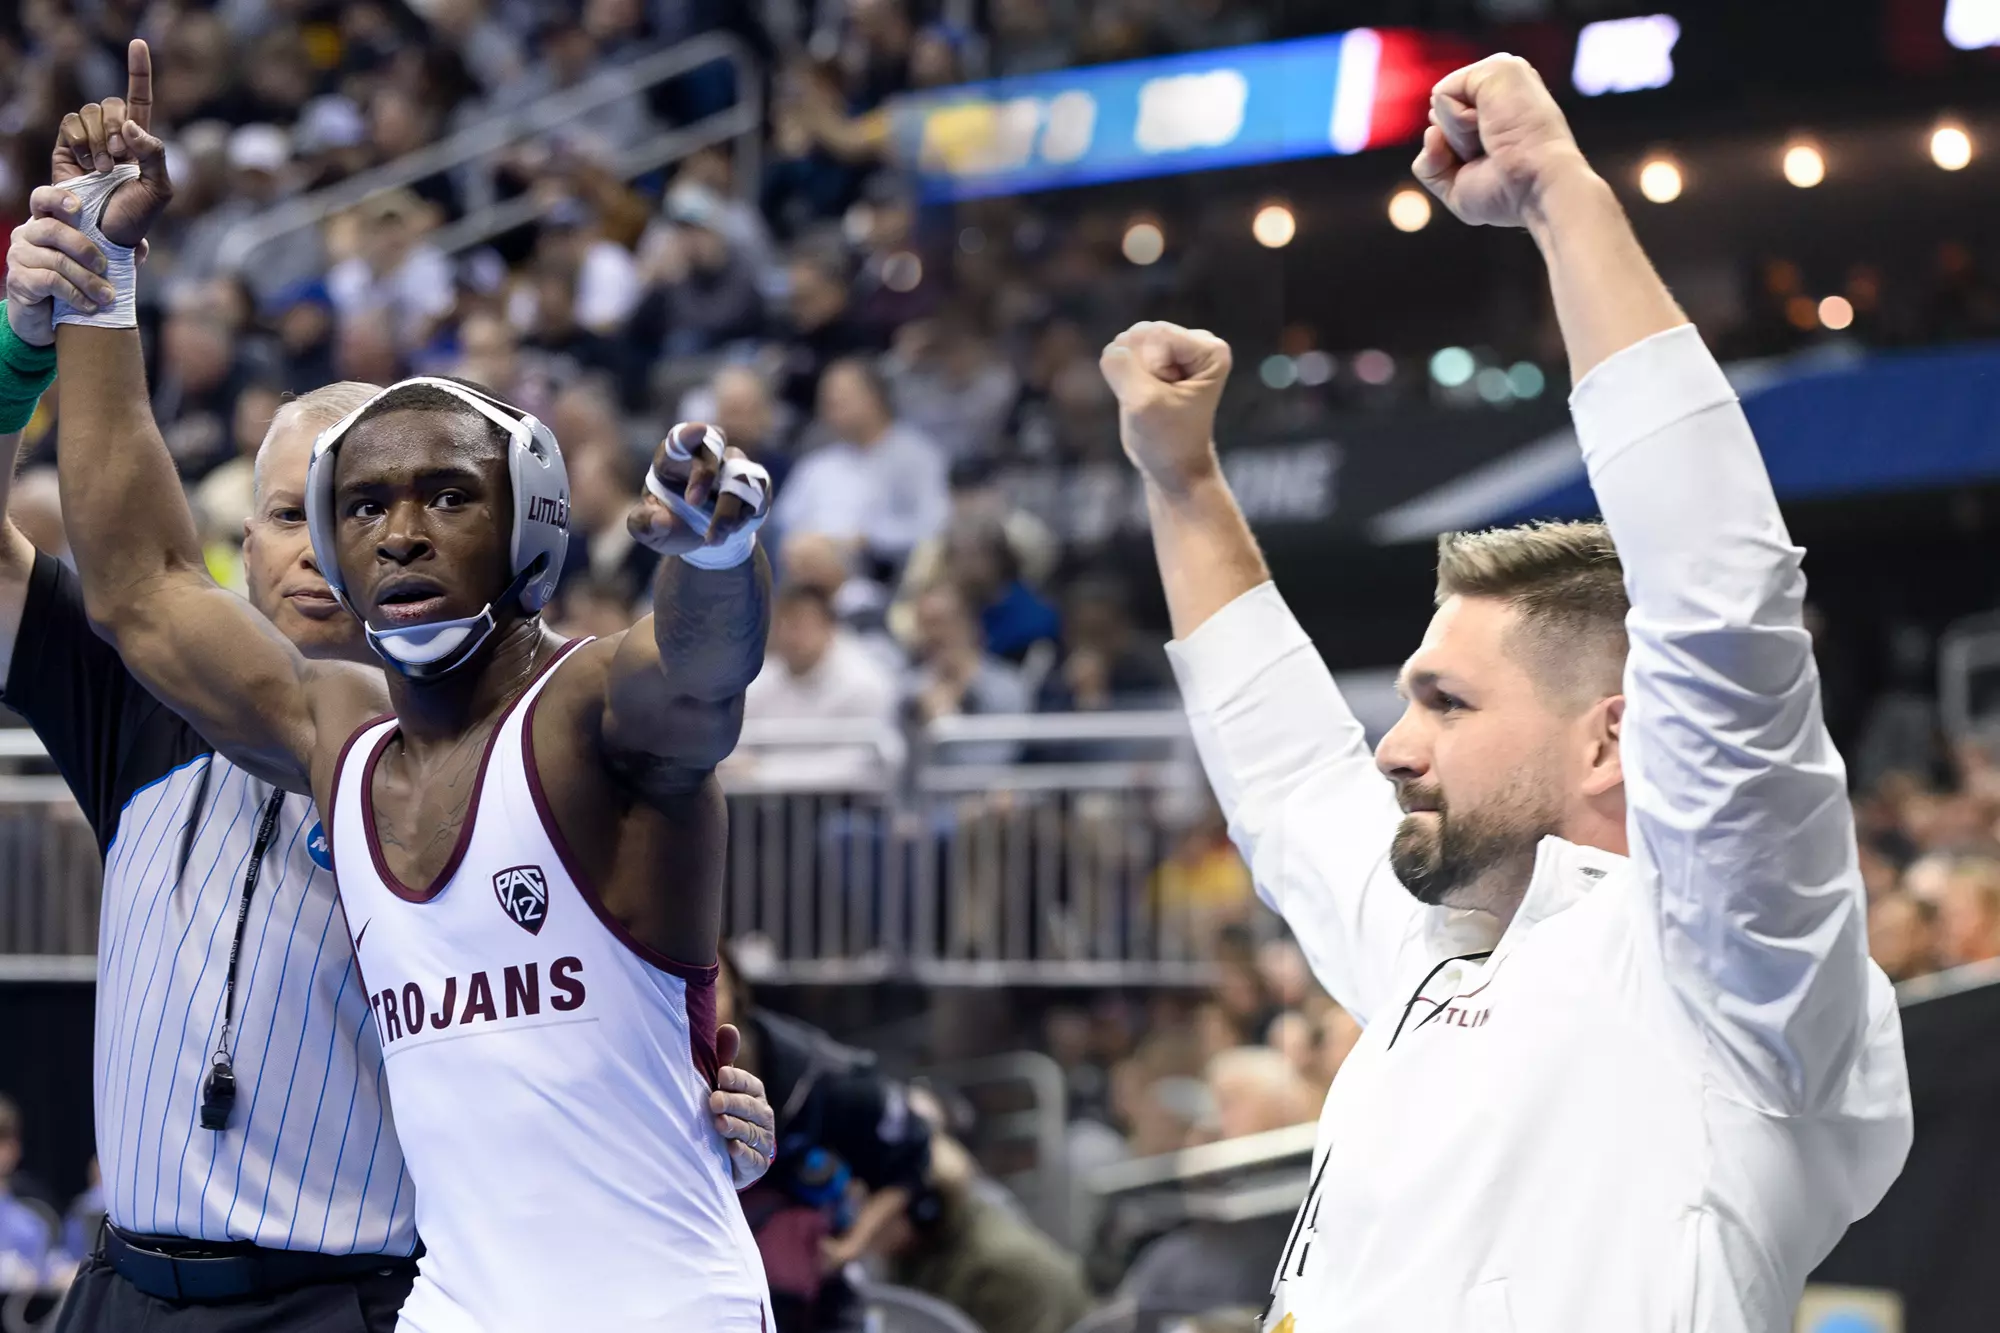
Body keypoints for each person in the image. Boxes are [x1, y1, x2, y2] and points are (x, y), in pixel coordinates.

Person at [1098, 55, 1910, 1331]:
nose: (1392, 749)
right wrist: (1180, 484)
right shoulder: (1430, 945)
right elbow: (1283, 770)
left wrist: (1558, 199)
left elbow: (1718, 605)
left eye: (1446, 704)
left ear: (1611, 741)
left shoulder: (1732, 974)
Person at [18, 45, 777, 1331]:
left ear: (533, 530)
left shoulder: (588, 712)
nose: (395, 534)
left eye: (444, 497)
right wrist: (100, 288)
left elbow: (701, 679)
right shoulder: (337, 740)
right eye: (358, 506)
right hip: (445, 1311)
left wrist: (716, 555)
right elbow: (140, 583)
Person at [774, 356, 949, 574]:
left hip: (881, 575)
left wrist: (869, 540)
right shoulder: (817, 464)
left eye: (841, 399)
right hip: (805, 575)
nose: (830, 407)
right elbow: (781, 526)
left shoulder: (916, 457)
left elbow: (933, 527)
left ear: (875, 397)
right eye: (827, 401)